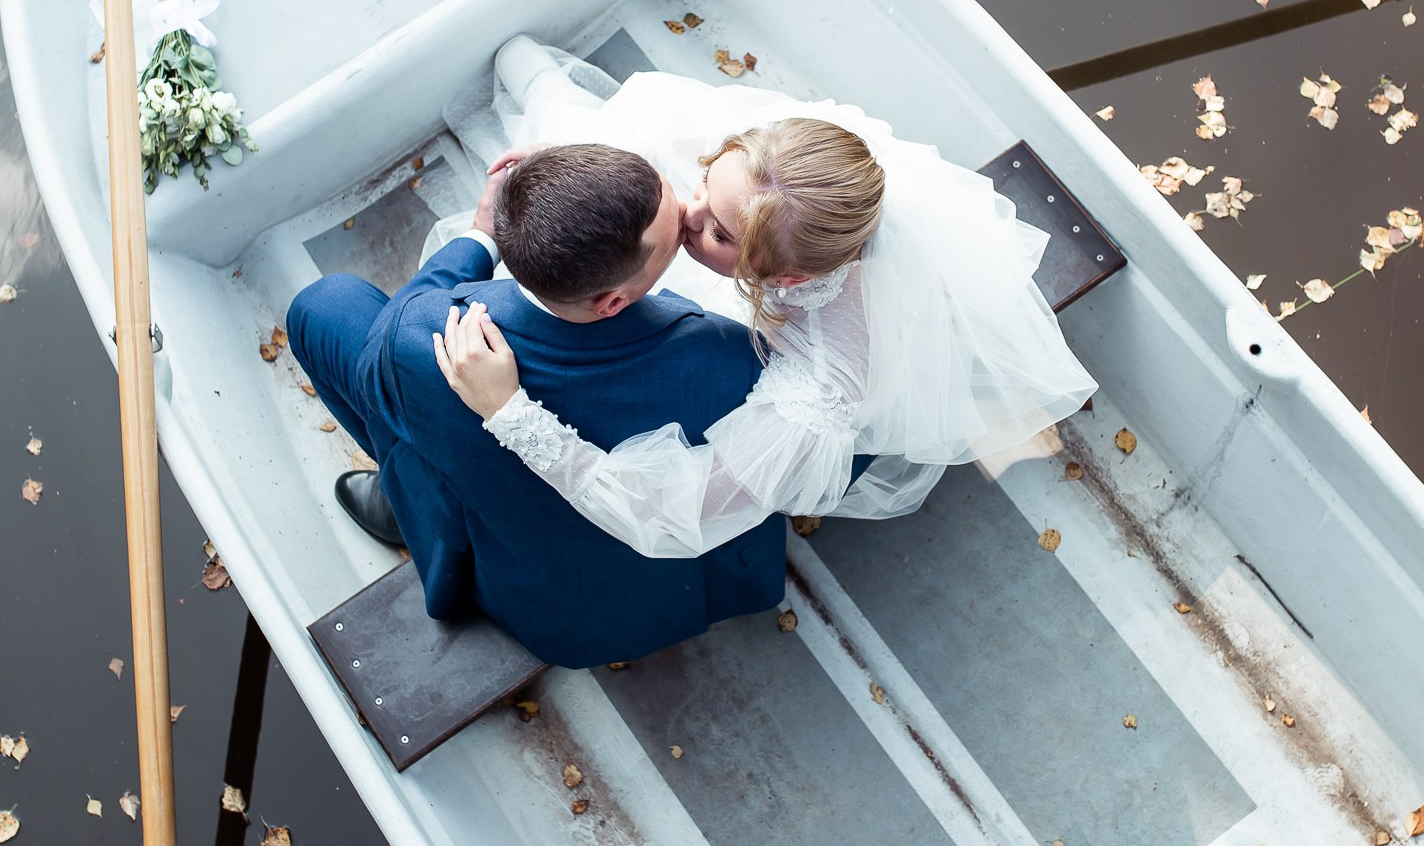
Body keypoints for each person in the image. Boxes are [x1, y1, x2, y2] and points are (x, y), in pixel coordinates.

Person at [431, 38, 1098, 558]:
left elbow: (674, 514)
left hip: (774, 354)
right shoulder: (782, 167)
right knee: (601, 166)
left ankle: (544, 85)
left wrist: (510, 412)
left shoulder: (825, 383)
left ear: (790, 279)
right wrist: (582, 176)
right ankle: (546, 86)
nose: (692, 218)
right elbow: (695, 168)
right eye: (705, 186)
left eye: (720, 232)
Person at [285, 141, 787, 670]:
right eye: (672, 229)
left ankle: (407, 492)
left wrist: (482, 234)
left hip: (541, 595)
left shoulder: (423, 333)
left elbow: (390, 340)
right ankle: (410, 479)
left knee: (326, 307)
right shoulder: (728, 357)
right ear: (613, 302)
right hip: (645, 594)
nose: (689, 213)